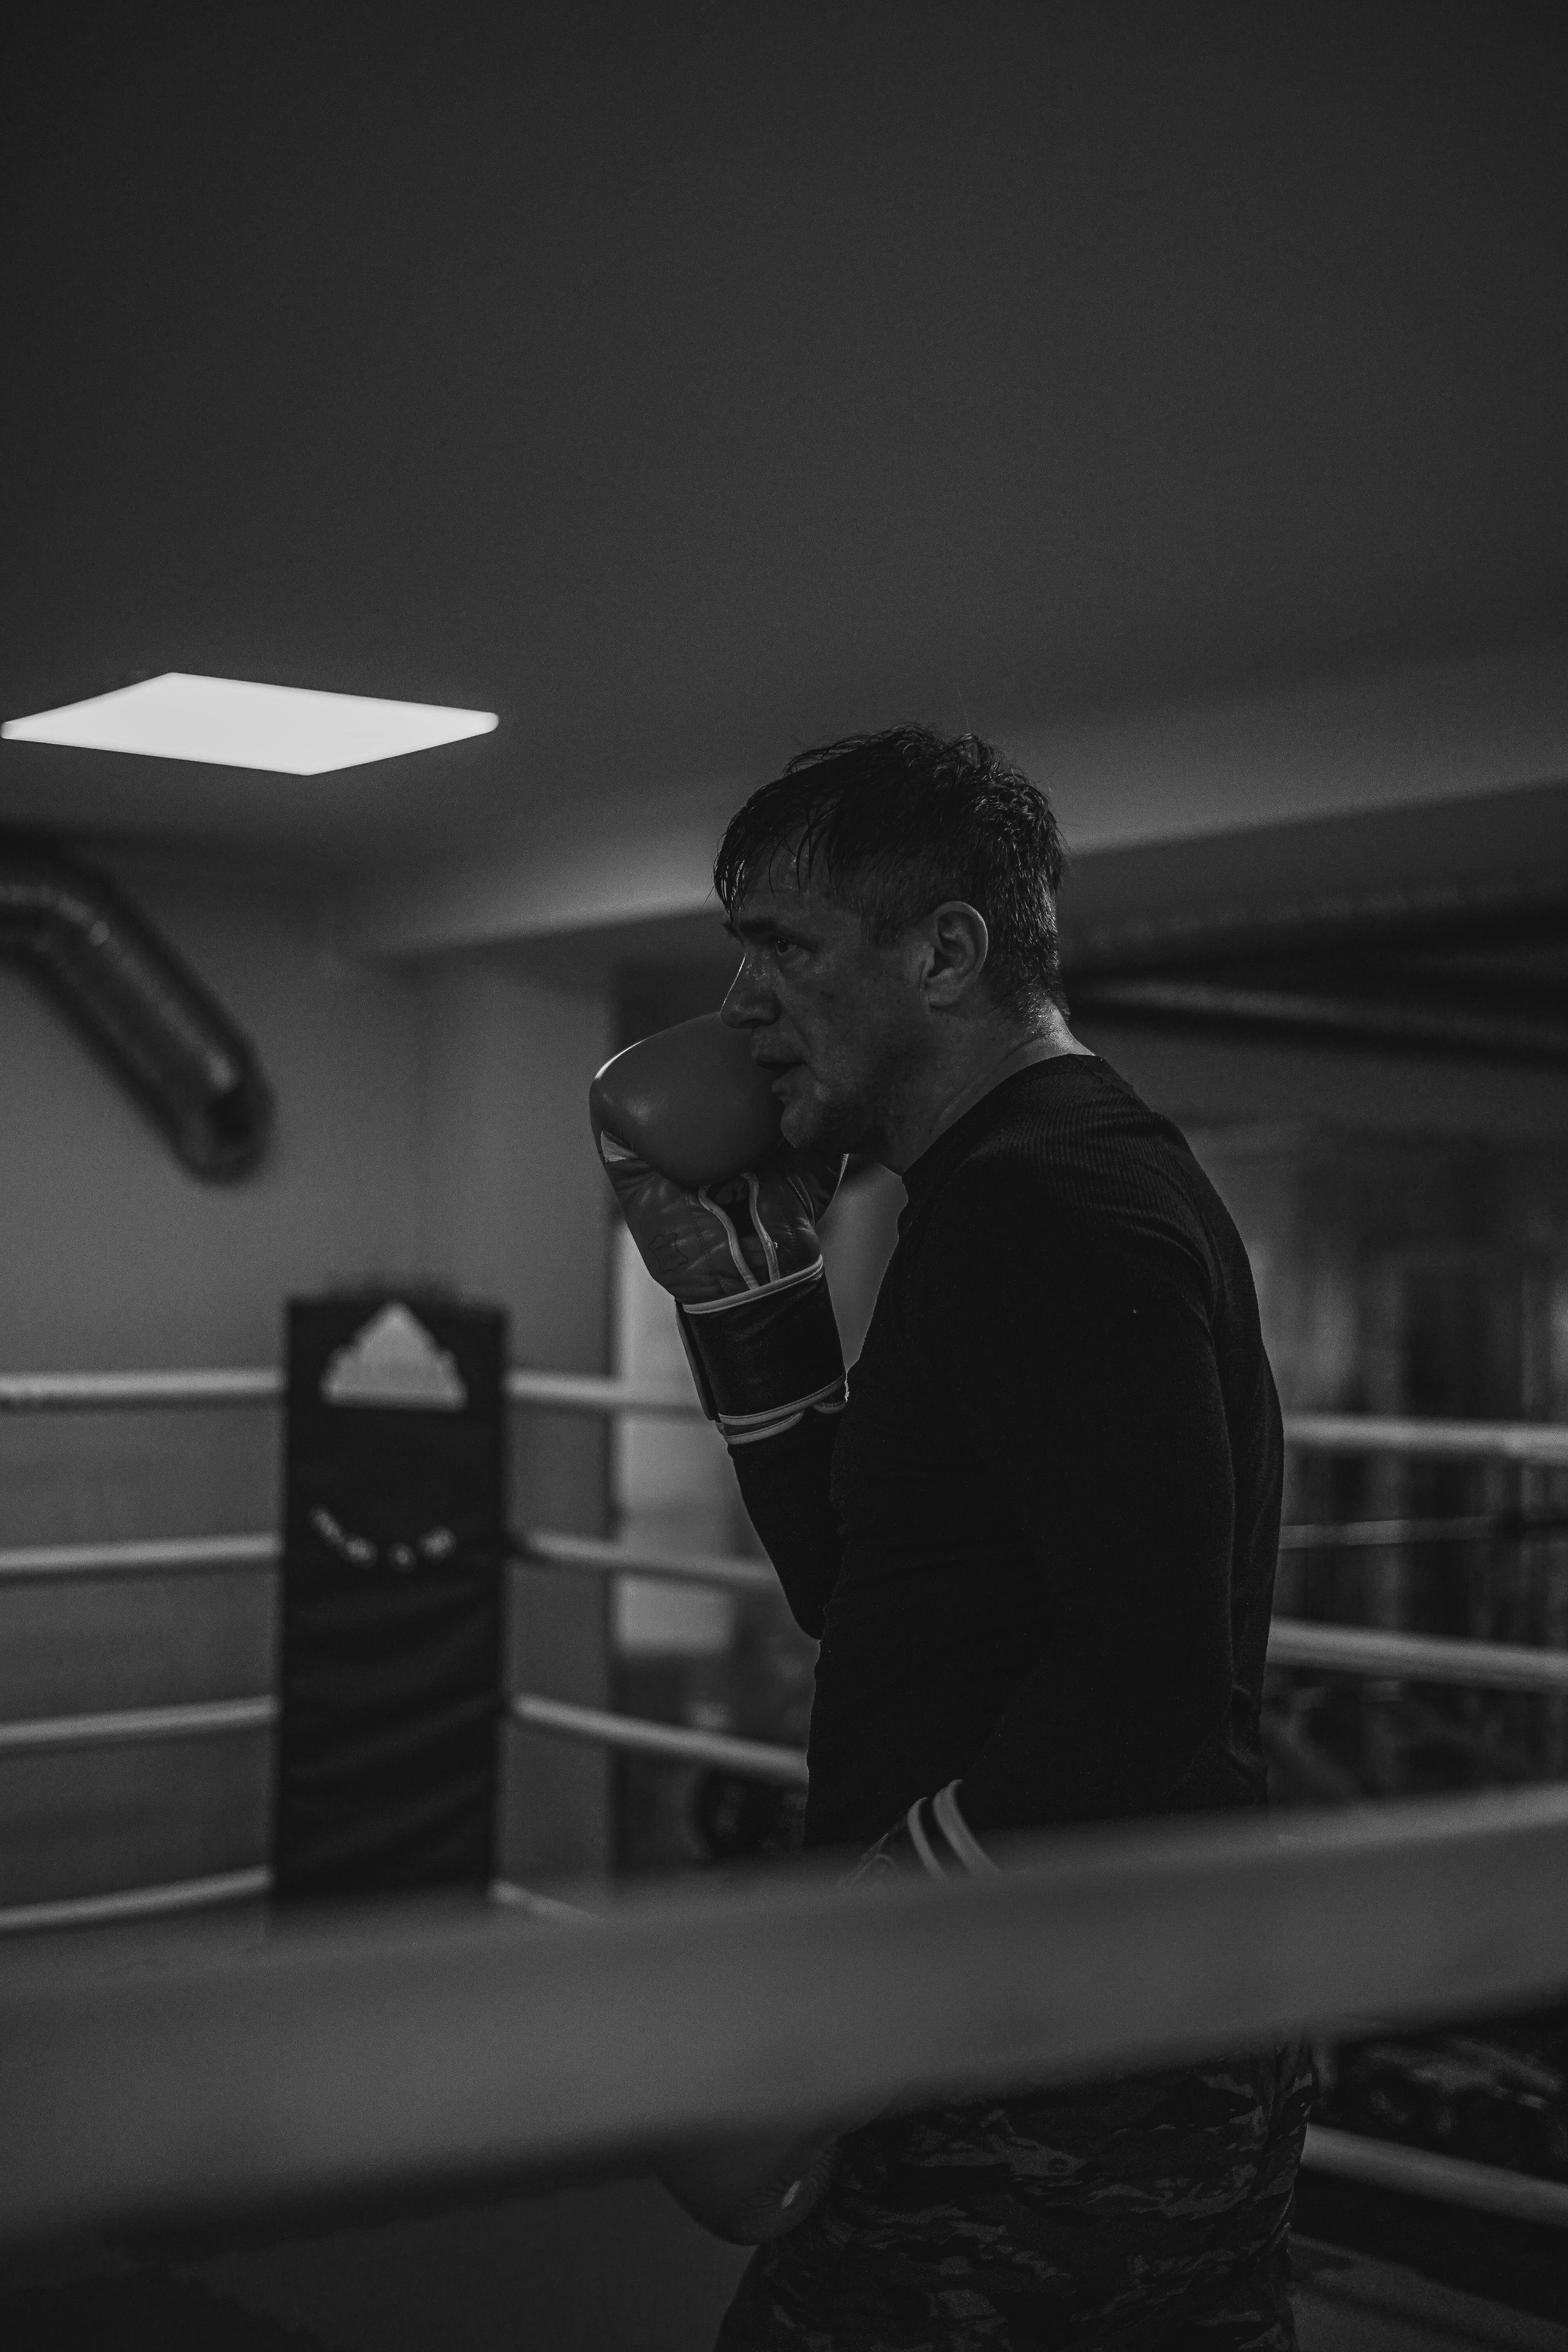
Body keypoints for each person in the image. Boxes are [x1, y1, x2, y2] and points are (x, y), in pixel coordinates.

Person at [597, 725, 1313, 2350]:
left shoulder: (1050, 1207)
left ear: (947, 953)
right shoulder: (1004, 1190)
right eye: (737, 952)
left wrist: (858, 1966)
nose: (741, 1008)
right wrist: (755, 1315)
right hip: (1072, 2016)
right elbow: (881, 1595)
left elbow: (1147, 1686)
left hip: (1061, 2051)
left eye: (783, 947)